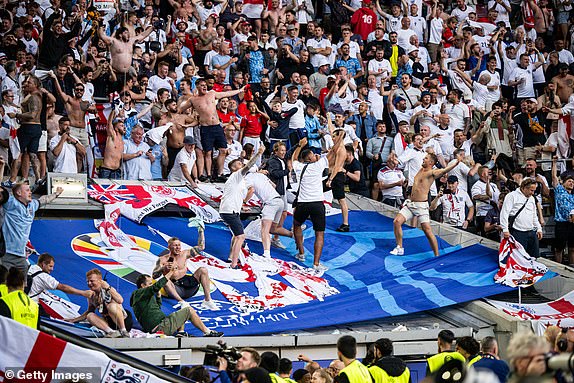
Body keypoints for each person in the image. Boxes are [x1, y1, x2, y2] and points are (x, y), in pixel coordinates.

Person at [291, 133, 342, 273]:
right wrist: (340, 138)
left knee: (296, 225)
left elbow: (294, 158)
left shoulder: (299, 166)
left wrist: (300, 145)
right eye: (314, 154)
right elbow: (333, 152)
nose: (316, 155)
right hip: (317, 204)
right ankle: (316, 263)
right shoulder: (318, 165)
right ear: (310, 158)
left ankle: (301, 253)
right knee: (319, 233)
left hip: (302, 203)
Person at [391, 154, 460, 256]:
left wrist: (455, 164)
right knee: (397, 221)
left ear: (431, 163)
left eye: (426, 158)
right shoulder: (420, 170)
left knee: (427, 231)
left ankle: (437, 255)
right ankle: (399, 247)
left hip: (421, 206)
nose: (423, 159)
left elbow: (443, 171)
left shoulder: (431, 173)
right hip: (411, 203)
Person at [179, 78, 246, 181]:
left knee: (223, 150)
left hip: (217, 126)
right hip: (205, 128)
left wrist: (239, 90)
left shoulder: (212, 93)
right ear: (197, 87)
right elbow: (179, 109)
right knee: (208, 152)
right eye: (202, 85)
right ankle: (209, 175)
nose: (204, 87)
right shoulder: (193, 99)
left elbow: (226, 94)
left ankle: (220, 173)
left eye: (205, 85)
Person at [130, 268, 222, 337]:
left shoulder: (144, 296)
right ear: (142, 285)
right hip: (160, 328)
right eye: (150, 284)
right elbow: (156, 286)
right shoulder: (138, 293)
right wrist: (170, 273)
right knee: (188, 310)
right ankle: (207, 332)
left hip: (160, 326)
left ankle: (181, 333)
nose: (152, 285)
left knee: (180, 312)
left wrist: (158, 297)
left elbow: (156, 309)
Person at [0, 184, 63, 274]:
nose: (31, 192)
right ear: (18, 193)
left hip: (21, 255)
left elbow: (44, 200)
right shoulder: (10, 202)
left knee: (24, 283)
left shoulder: (32, 205)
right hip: (7, 253)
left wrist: (56, 193)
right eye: (27, 190)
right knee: (4, 283)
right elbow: (2, 194)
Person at [220, 145, 265, 268]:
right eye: (239, 164)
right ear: (234, 168)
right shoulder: (236, 175)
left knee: (236, 235)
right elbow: (248, 166)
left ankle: (231, 258)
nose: (242, 165)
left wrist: (242, 205)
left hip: (231, 210)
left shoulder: (239, 181)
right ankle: (234, 264)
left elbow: (235, 195)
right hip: (229, 211)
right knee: (241, 236)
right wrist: (258, 154)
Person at [152, 234, 218, 310]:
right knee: (165, 281)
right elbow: (154, 276)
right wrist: (163, 268)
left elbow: (201, 247)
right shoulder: (162, 259)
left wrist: (201, 231)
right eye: (175, 245)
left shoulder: (185, 254)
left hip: (190, 286)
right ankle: (182, 302)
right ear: (169, 247)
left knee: (203, 270)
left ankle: (208, 300)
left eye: (179, 245)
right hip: (176, 289)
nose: (178, 247)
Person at [68, 268, 133, 338]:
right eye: (87, 281)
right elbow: (89, 311)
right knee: (90, 315)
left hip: (123, 321)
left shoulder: (109, 289)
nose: (89, 283)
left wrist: (108, 287)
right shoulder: (91, 296)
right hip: (110, 323)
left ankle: (124, 331)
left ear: (100, 281)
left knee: (111, 306)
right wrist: (74, 320)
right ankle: (112, 332)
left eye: (92, 281)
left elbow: (120, 300)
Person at [500, 178, 543, 258]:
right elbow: (504, 213)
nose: (532, 193)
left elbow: (534, 215)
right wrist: (505, 229)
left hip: (531, 231)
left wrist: (539, 228)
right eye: (531, 190)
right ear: (524, 188)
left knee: (533, 257)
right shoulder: (511, 196)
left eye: (534, 190)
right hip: (518, 231)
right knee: (519, 257)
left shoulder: (532, 198)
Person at [27, 253, 92, 306]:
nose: (52, 269)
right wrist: (83, 293)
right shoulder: (45, 278)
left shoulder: (28, 267)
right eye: (50, 266)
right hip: (29, 304)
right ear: (43, 264)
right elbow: (63, 287)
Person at [266, 142, 292, 249]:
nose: (283, 152)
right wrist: (287, 171)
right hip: (277, 192)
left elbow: (290, 152)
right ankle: (274, 234)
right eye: (281, 150)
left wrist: (298, 145)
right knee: (280, 214)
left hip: (283, 191)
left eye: (284, 150)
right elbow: (275, 173)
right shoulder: (273, 161)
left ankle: (276, 236)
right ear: (275, 151)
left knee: (284, 213)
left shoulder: (282, 160)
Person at [551, 158, 574, 265]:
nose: (571, 183)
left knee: (572, 248)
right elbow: (554, 177)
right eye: (569, 181)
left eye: (573, 182)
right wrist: (554, 163)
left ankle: (571, 268)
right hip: (561, 224)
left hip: (572, 224)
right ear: (563, 183)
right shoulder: (559, 190)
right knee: (559, 248)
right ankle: (558, 268)